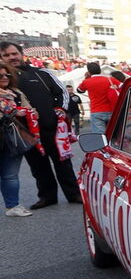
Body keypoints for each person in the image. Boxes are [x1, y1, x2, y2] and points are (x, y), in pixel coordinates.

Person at [0, 42, 82, 209]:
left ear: (21, 53)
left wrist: (60, 110)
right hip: (25, 133)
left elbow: (62, 93)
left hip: (51, 128)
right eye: (6, 55)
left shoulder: (41, 73)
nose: (12, 57)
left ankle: (74, 194)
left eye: (14, 53)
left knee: (63, 163)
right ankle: (47, 197)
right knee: (38, 167)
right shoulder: (4, 79)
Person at [0, 60, 34, 216]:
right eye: (0, 75)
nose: (4, 78)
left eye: (6, 74)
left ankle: (12, 206)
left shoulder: (17, 93)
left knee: (10, 175)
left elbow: (29, 109)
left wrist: (30, 113)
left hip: (13, 138)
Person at [77, 61, 119, 134]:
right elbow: (123, 85)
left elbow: (79, 90)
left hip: (96, 111)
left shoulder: (86, 82)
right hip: (112, 110)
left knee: (100, 136)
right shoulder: (110, 80)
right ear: (100, 70)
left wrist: (86, 78)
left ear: (89, 71)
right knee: (114, 134)